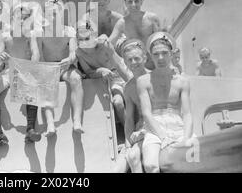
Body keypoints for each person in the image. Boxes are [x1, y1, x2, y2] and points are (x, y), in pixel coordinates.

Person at [0, 3, 42, 150]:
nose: (23, 19)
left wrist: (29, 70)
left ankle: (30, 129)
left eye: (27, 16)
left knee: (32, 84)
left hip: (26, 70)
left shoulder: (32, 34)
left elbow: (36, 54)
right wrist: (0, 58)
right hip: (9, 71)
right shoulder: (5, 35)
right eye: (20, 16)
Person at [137, 32, 193, 173]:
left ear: (171, 54)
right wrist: (163, 137)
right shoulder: (143, 81)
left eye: (164, 53)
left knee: (193, 162)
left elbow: (187, 114)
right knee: (151, 166)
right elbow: (146, 113)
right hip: (154, 127)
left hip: (179, 127)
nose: (160, 58)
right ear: (150, 55)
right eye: (156, 54)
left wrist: (186, 139)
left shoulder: (183, 81)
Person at [38, 0, 85, 134]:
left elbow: (73, 53)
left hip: (65, 67)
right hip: (48, 67)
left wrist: (69, 60)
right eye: (49, 13)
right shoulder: (40, 33)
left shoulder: (69, 31)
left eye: (55, 13)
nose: (52, 16)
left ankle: (77, 121)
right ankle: (50, 124)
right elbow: (39, 56)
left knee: (76, 78)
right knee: (45, 81)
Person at [75, 20, 130, 126]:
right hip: (112, 80)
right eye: (80, 40)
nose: (84, 42)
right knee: (118, 103)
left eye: (87, 38)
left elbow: (118, 64)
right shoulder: (79, 53)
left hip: (124, 72)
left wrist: (130, 82)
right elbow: (89, 72)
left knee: (136, 96)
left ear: (93, 36)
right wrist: (101, 71)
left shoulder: (104, 44)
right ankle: (127, 130)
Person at [108, 0, 160, 69]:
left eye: (136, 1)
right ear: (125, 3)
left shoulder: (152, 18)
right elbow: (109, 43)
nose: (133, 4)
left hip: (153, 65)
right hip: (135, 66)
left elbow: (160, 42)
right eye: (130, 1)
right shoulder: (122, 23)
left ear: (141, 2)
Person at [121, 39, 148, 173]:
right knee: (118, 169)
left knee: (134, 157)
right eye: (129, 60)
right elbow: (130, 118)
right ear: (125, 62)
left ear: (144, 58)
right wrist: (127, 144)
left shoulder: (154, 77)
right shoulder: (129, 88)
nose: (133, 63)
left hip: (154, 128)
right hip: (139, 131)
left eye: (136, 58)